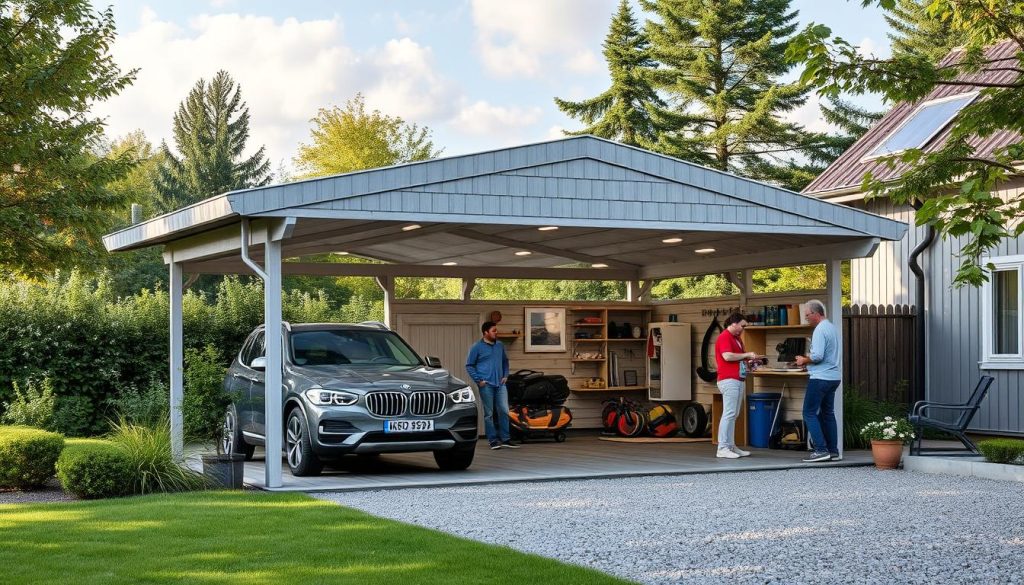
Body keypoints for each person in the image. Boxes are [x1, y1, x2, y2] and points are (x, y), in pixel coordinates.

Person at [795, 300, 842, 462]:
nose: (806, 318)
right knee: (828, 414)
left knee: (808, 413)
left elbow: (817, 356)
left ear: (816, 314)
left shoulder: (820, 330)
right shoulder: (832, 328)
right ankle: (833, 451)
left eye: (807, 315)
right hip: (834, 377)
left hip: (820, 378)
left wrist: (803, 360)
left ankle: (821, 450)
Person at [466, 321, 518, 450]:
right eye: (494, 330)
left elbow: (505, 362)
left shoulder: (499, 345)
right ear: (485, 332)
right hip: (486, 385)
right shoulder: (477, 347)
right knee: (489, 413)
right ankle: (493, 440)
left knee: (504, 411)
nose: (496, 332)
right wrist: (479, 380)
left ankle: (506, 439)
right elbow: (469, 365)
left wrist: (506, 375)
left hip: (500, 384)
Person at [714, 312, 760, 459]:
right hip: (728, 379)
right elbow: (727, 356)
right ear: (733, 323)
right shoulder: (724, 337)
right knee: (729, 413)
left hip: (738, 378)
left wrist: (749, 364)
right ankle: (722, 447)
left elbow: (737, 359)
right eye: (742, 325)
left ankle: (731, 446)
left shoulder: (737, 338)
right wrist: (747, 355)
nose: (743, 329)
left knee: (734, 414)